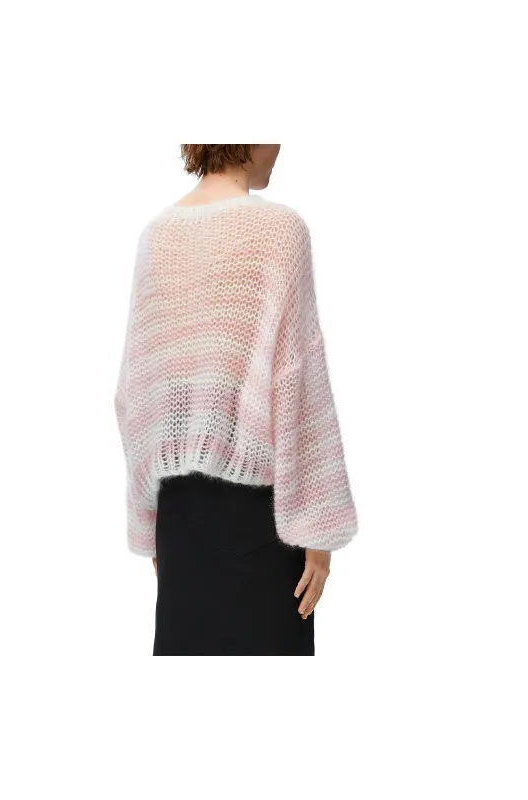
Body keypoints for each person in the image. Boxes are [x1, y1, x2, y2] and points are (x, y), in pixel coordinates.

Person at [114, 144, 358, 655]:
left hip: (178, 521)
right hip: (261, 522)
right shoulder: (280, 231)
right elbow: (299, 385)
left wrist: (149, 525)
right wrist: (319, 530)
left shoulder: (156, 236)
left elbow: (135, 395)